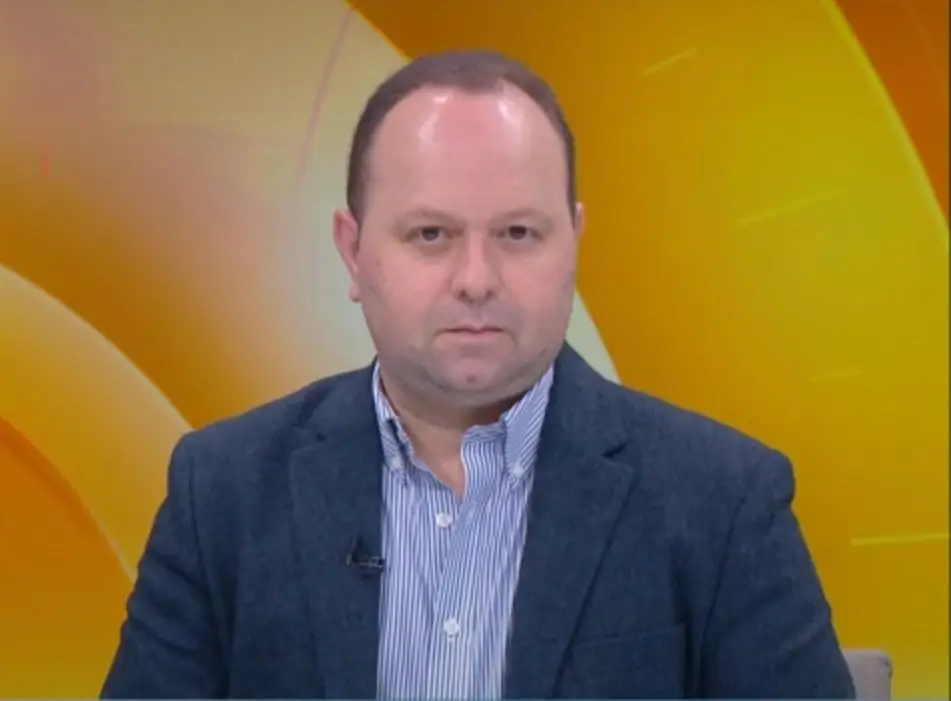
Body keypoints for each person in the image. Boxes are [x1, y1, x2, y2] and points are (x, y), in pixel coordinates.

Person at [101, 50, 855, 699]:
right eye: (431, 234)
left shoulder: (723, 501)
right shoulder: (223, 492)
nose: (476, 279)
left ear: (573, 242)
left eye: (517, 233)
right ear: (353, 251)